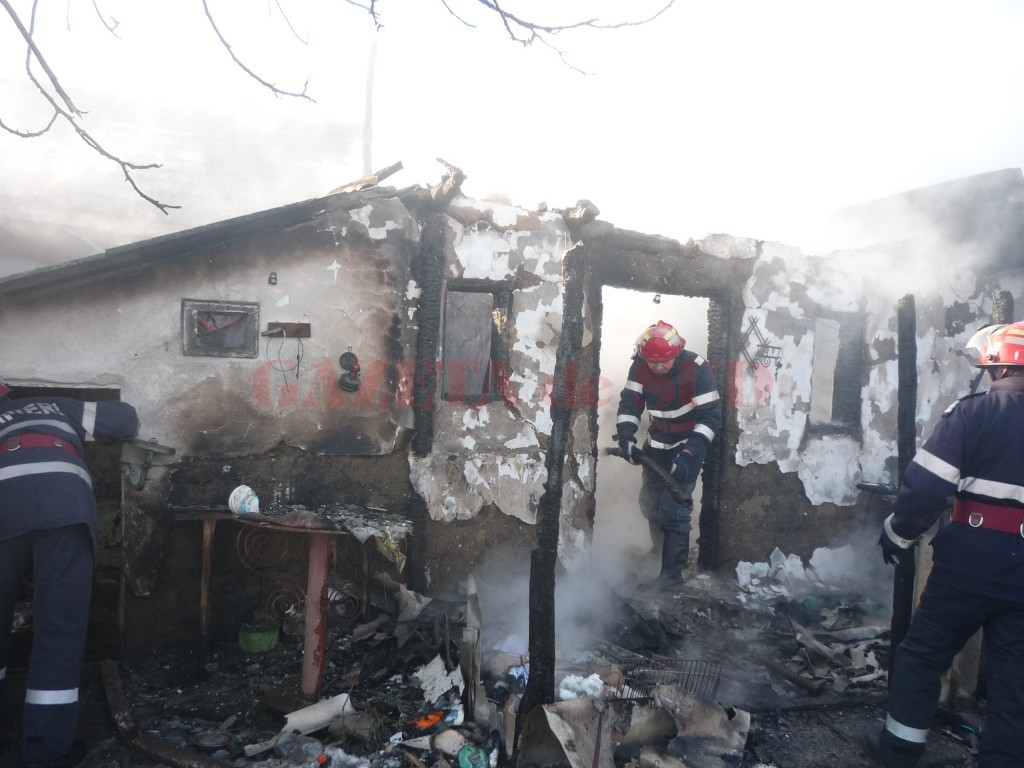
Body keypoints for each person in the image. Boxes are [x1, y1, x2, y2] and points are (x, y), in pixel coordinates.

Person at [868, 321, 1024, 768]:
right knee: (1015, 681)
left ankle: (899, 752)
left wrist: (898, 533)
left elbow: (925, 489)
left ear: (998, 368)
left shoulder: (973, 413)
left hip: (968, 567)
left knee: (921, 656)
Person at [0, 380, 139, 768]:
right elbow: (125, 420)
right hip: (63, 503)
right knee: (58, 628)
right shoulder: (54, 405)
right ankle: (45, 750)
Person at [614, 320, 722, 590]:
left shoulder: (698, 369)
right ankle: (658, 553)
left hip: (688, 446)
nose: (658, 367)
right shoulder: (640, 365)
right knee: (649, 502)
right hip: (656, 443)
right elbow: (630, 404)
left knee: (674, 509)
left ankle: (672, 576)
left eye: (664, 362)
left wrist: (689, 454)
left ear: (678, 353)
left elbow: (710, 419)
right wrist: (626, 437)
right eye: (653, 362)